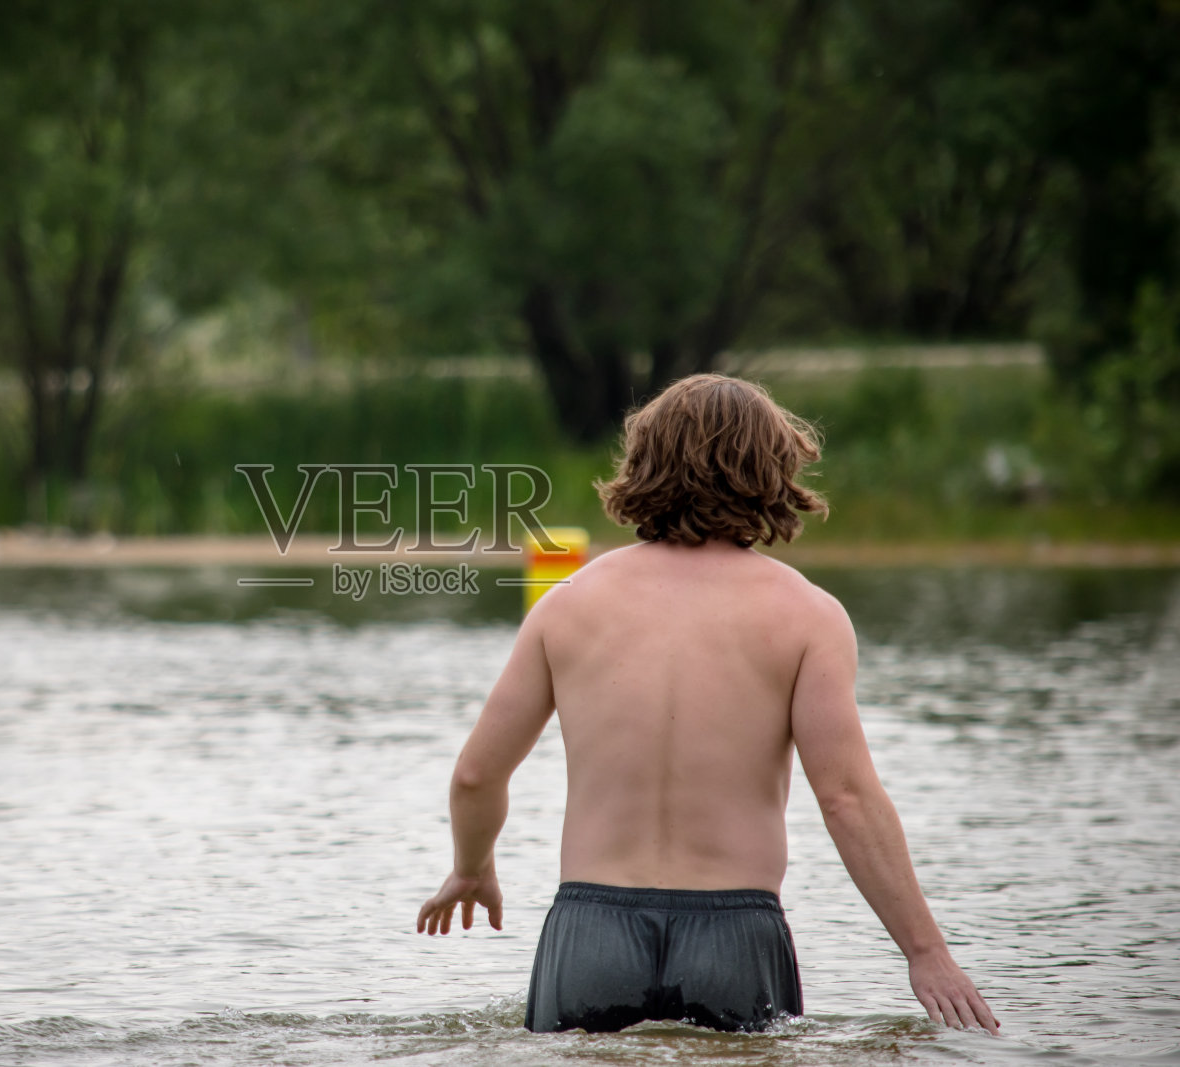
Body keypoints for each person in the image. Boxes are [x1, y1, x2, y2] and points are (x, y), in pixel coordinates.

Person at [415, 373, 1000, 1036]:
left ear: (642, 464)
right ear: (771, 471)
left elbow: (475, 774)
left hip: (590, 931)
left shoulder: (567, 604)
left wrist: (471, 868)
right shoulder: (808, 615)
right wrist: (927, 952)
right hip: (735, 932)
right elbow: (846, 797)